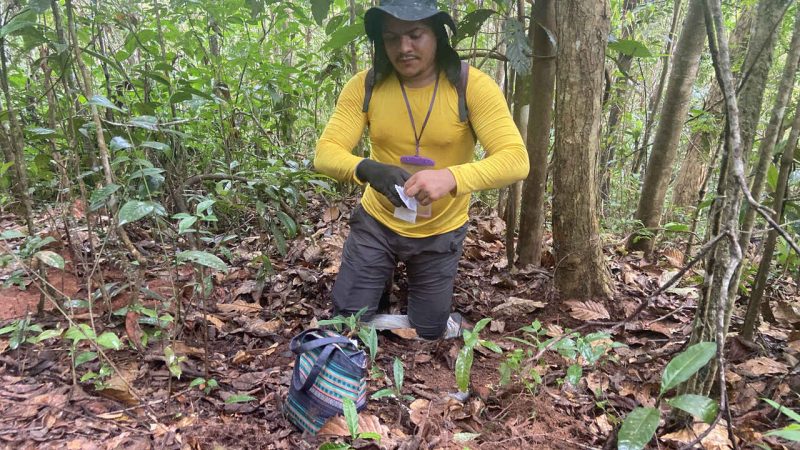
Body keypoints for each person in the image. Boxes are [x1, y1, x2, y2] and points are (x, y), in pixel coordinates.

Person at [314, 0, 529, 340]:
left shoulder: (471, 86)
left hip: (440, 230)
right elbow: (325, 153)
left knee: (428, 333)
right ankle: (374, 286)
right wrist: (367, 169)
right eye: (391, 38)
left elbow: (516, 159)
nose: (404, 47)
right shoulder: (366, 85)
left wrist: (452, 177)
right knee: (347, 325)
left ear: (438, 36)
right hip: (377, 223)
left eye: (415, 35)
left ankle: (418, 308)